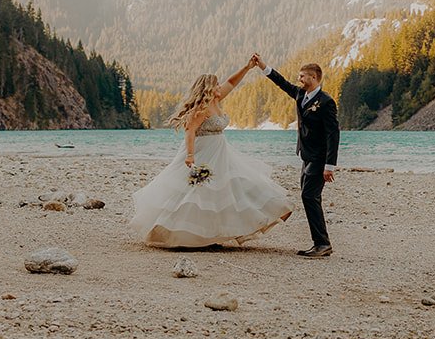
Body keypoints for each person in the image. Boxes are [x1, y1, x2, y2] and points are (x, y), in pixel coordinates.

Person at [130, 57, 293, 248]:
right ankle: (184, 234)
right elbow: (190, 132)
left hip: (220, 153)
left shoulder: (216, 99)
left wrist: (247, 68)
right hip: (202, 153)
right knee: (197, 192)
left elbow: (232, 82)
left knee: (227, 189)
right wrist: (190, 156)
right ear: (208, 88)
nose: (220, 87)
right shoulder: (202, 108)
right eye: (216, 85)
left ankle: (214, 235)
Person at [252, 55, 339, 258]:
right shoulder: (301, 95)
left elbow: (333, 135)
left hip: (319, 158)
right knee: (309, 196)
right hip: (306, 155)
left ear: (314, 78)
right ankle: (321, 243)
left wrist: (330, 166)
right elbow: (281, 82)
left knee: (309, 196)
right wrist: (263, 66)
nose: (299, 79)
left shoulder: (326, 102)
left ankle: (322, 243)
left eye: (303, 76)